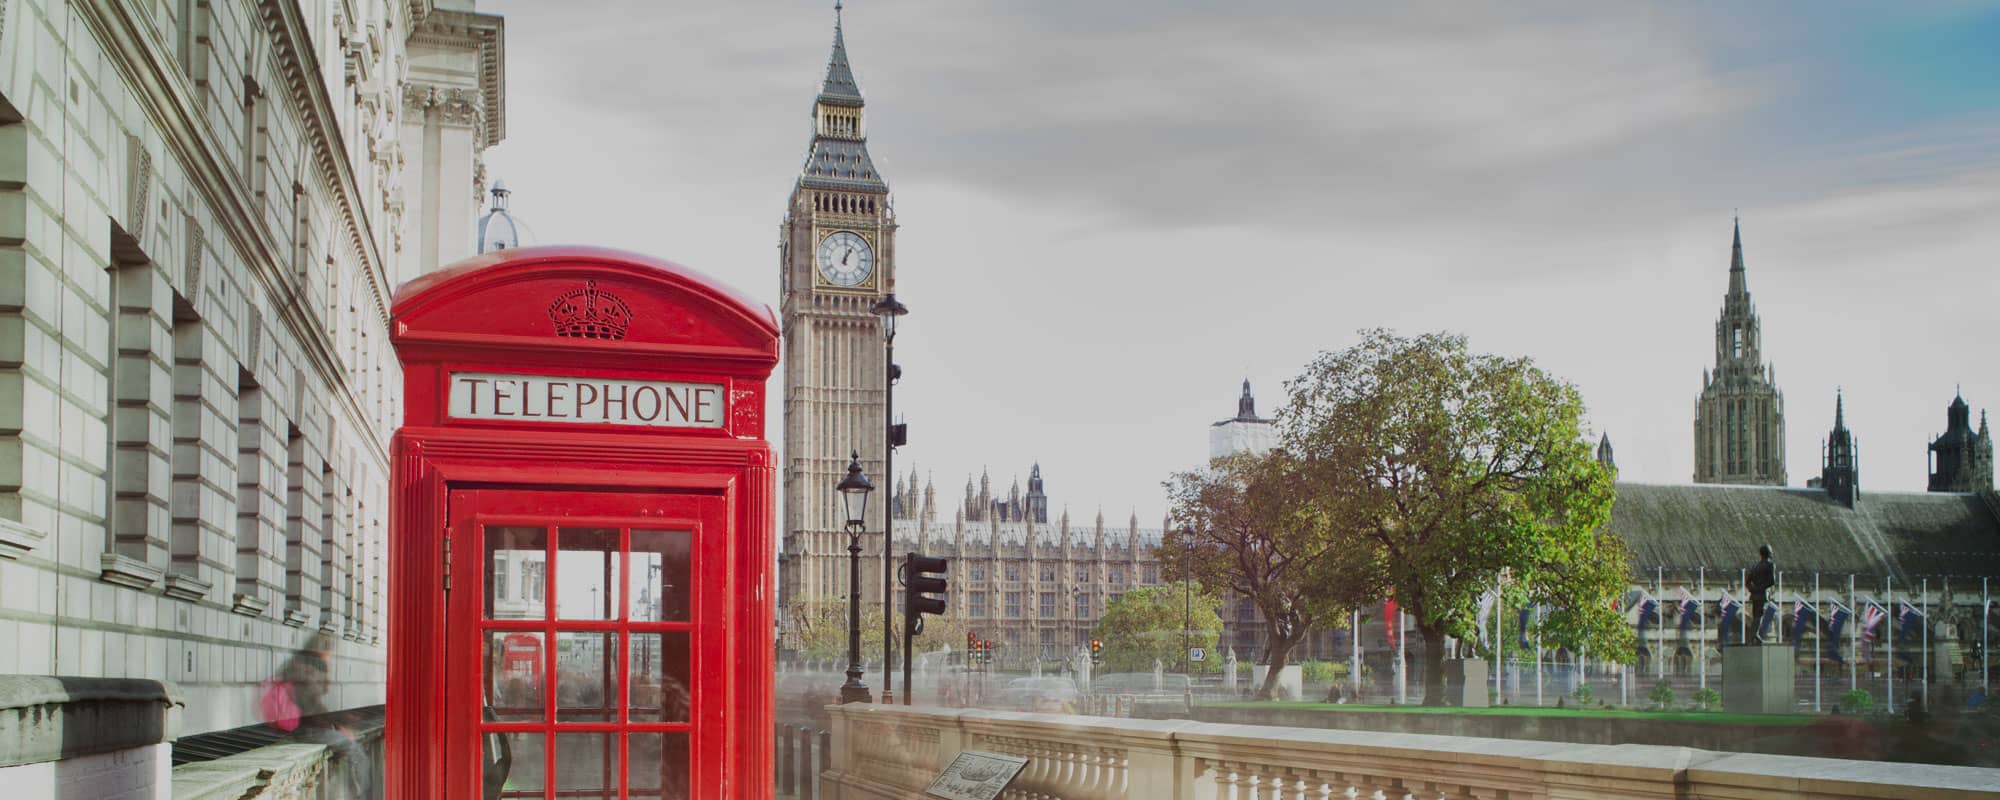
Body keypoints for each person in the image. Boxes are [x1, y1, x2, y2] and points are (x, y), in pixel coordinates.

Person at [279, 632, 374, 799]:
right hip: (306, 731)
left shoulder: (304, 666)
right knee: (354, 751)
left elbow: (315, 707)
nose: (331, 655)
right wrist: (335, 727)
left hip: (304, 728)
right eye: (329, 650)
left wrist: (338, 723)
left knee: (352, 747)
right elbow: (309, 711)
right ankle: (362, 795)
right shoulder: (306, 670)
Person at [1745, 544, 1776, 644]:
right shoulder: (1770, 565)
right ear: (1769, 554)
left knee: (1756, 616)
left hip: (1754, 595)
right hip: (1762, 595)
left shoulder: (1755, 567)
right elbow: (1771, 581)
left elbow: (1747, 582)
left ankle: (1754, 636)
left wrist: (1753, 589)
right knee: (1759, 616)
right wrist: (1760, 588)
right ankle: (1753, 636)